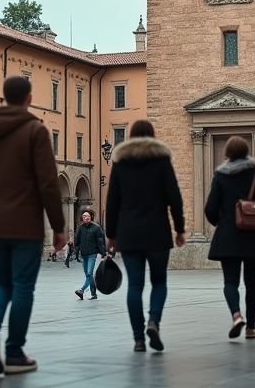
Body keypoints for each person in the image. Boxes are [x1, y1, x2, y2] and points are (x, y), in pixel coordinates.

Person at [0, 76, 66, 376]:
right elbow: (48, 184)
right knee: (22, 286)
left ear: (3, 98)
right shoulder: (35, 131)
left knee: (1, 283)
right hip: (25, 225)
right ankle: (14, 352)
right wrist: (58, 227)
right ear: (29, 99)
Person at [104, 119, 186, 353]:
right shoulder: (161, 162)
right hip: (157, 232)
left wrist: (111, 235)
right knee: (159, 281)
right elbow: (175, 198)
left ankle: (138, 339)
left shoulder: (120, 163)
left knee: (135, 285)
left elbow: (113, 201)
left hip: (129, 233)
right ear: (152, 135)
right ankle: (154, 321)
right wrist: (179, 230)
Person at [204, 136, 255, 340]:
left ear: (227, 153)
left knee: (230, 281)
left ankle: (237, 315)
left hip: (228, 236)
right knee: (252, 282)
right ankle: (251, 328)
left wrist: (221, 223)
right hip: (254, 235)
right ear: (247, 152)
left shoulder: (220, 176)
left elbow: (210, 208)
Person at [72, 210, 106, 300]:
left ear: (91, 217)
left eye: (87, 216)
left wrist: (103, 252)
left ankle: (81, 290)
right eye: (83, 216)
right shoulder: (80, 228)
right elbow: (77, 240)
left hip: (92, 253)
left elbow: (101, 241)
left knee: (89, 273)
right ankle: (94, 294)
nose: (85, 218)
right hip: (83, 254)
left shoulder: (96, 228)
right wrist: (75, 251)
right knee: (89, 275)